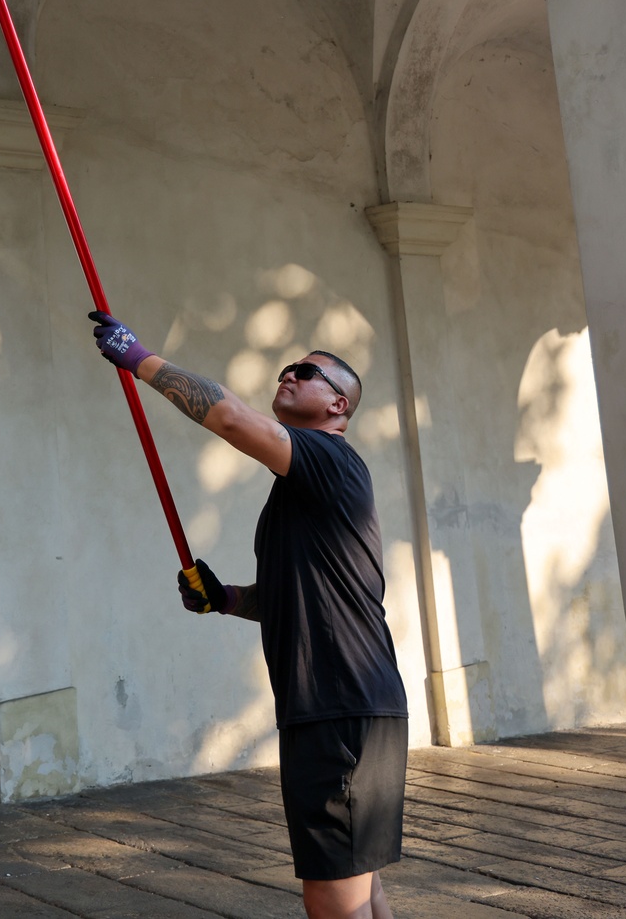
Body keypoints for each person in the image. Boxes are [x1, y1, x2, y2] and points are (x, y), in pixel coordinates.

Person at [89, 311, 407, 919]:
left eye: (307, 371)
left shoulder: (328, 459)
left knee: (335, 902)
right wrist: (229, 598)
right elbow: (294, 596)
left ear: (339, 404)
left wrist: (141, 359)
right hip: (354, 707)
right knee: (360, 891)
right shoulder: (304, 487)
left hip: (337, 710)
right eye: (287, 366)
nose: (288, 373)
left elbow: (231, 418)